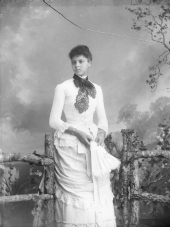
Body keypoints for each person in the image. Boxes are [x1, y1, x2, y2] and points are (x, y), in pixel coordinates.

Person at [49, 45, 120, 227]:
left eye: (81, 61)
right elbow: (54, 121)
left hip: (93, 144)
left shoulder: (97, 88)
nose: (77, 65)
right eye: (74, 62)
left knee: (96, 189)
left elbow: (102, 119)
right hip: (71, 146)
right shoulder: (63, 87)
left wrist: (102, 133)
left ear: (89, 62)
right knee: (77, 191)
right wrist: (76, 132)